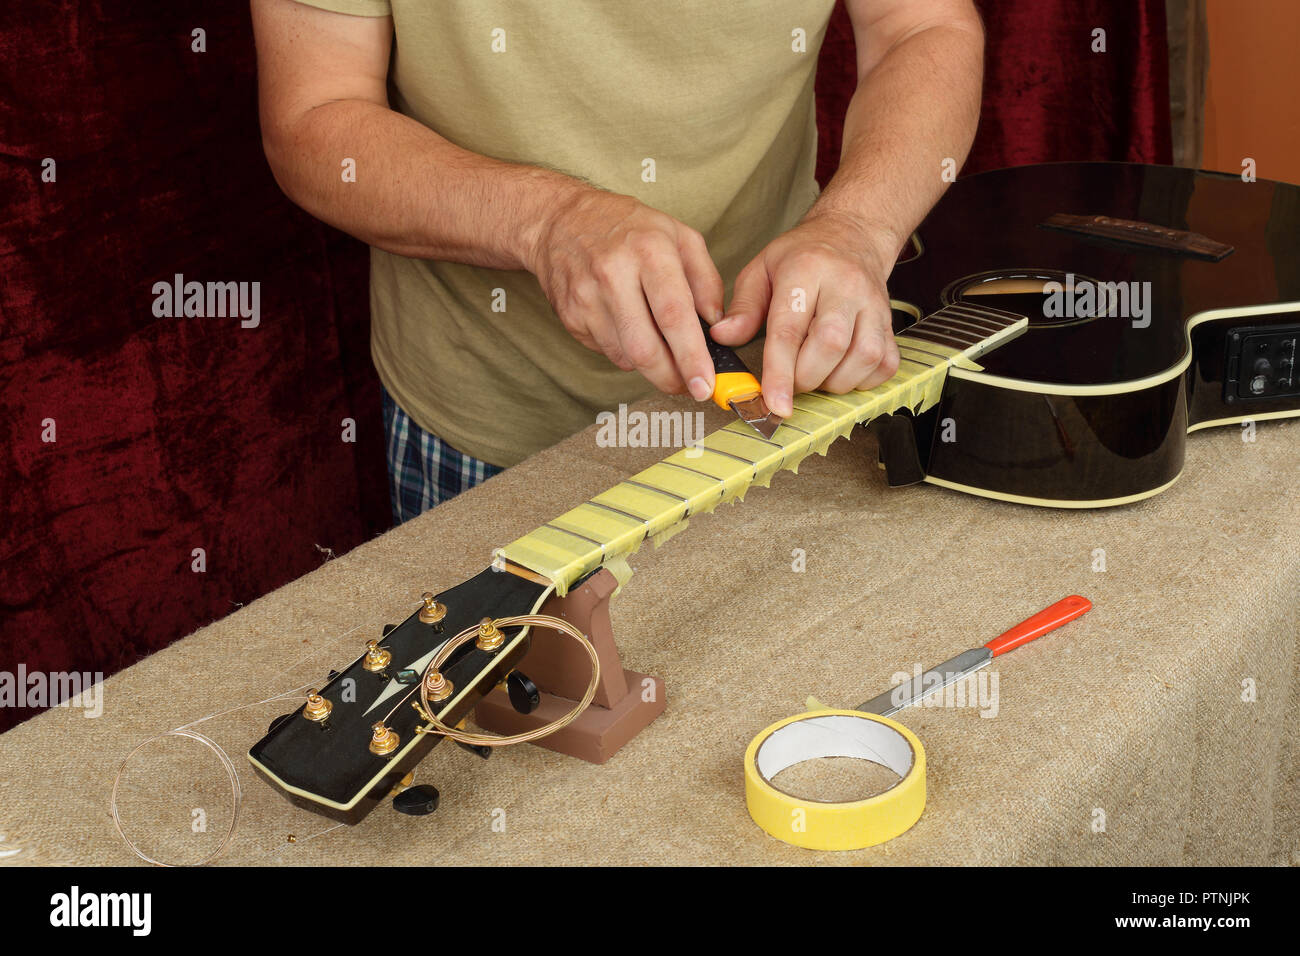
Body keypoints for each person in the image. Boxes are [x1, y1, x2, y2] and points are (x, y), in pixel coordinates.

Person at [251, 0, 984, 522]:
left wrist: (856, 226)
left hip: (784, 392)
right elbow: (314, 116)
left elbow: (920, 26)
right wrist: (547, 223)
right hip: (490, 413)